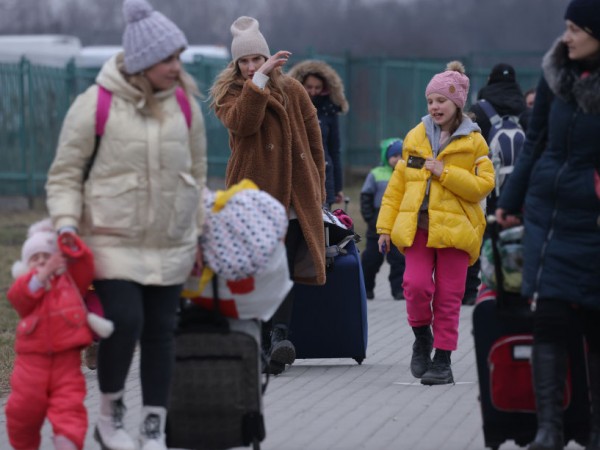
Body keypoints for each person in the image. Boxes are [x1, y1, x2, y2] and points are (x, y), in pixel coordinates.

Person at [45, 0, 207, 448]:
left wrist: (196, 232)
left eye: (178, 57)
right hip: (110, 240)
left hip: (170, 240)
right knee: (124, 320)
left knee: (160, 332)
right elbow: (65, 173)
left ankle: (153, 424)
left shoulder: (185, 107)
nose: (177, 66)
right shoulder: (94, 104)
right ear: (141, 61)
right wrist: (64, 223)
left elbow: (196, 171)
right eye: (167, 59)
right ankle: (110, 413)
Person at [495, 0, 600, 448]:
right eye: (566, 27)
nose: (567, 37)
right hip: (549, 218)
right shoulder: (555, 73)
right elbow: (535, 142)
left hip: (592, 222)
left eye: (576, 28)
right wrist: (512, 199)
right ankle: (549, 428)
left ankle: (595, 430)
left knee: (596, 327)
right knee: (549, 321)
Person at [209, 16, 326, 375]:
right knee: (259, 269)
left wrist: (318, 188)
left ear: (265, 56)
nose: (249, 66)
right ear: (235, 64)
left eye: (256, 60)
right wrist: (257, 82)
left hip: (294, 190)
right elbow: (244, 124)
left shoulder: (293, 89)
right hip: (253, 193)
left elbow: (314, 141)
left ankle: (279, 338)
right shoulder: (229, 93)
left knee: (285, 267)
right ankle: (259, 341)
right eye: (243, 61)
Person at [376, 61, 494, 385]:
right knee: (415, 286)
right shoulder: (415, 137)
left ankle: (443, 360)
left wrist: (446, 173)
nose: (435, 106)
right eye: (430, 101)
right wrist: (385, 228)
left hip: (457, 231)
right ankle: (421, 338)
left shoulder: (475, 142)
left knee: (449, 296)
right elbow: (397, 187)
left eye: (441, 100)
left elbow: (484, 186)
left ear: (457, 103)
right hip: (418, 229)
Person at [5, 219, 96, 450]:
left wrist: (71, 244)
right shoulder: (27, 286)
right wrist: (41, 275)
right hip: (31, 367)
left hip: (66, 364)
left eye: (47, 256)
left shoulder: (69, 283)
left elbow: (85, 266)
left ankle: (67, 441)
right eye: (36, 259)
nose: (42, 262)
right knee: (21, 413)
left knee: (70, 409)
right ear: (27, 266)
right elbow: (17, 297)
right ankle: (23, 445)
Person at [462, 63, 527, 306]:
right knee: (514, 233)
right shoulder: (525, 109)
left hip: (485, 185)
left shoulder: (480, 109)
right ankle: (514, 283)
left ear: (490, 80)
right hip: (518, 187)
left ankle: (471, 290)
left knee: (479, 235)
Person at [287, 60, 349, 209]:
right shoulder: (290, 107)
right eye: (309, 87)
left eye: (317, 87)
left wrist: (337, 187)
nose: (313, 92)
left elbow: (334, 149)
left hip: (323, 176)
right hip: (296, 173)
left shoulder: (330, 110)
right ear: (300, 84)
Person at [359, 137, 406, 301]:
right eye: (394, 155)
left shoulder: (407, 173)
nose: (398, 159)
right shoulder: (375, 174)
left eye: (402, 155)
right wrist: (371, 219)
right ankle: (366, 289)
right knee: (371, 260)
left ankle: (399, 290)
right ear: (386, 156)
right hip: (376, 227)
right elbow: (365, 197)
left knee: (399, 261)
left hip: (398, 226)